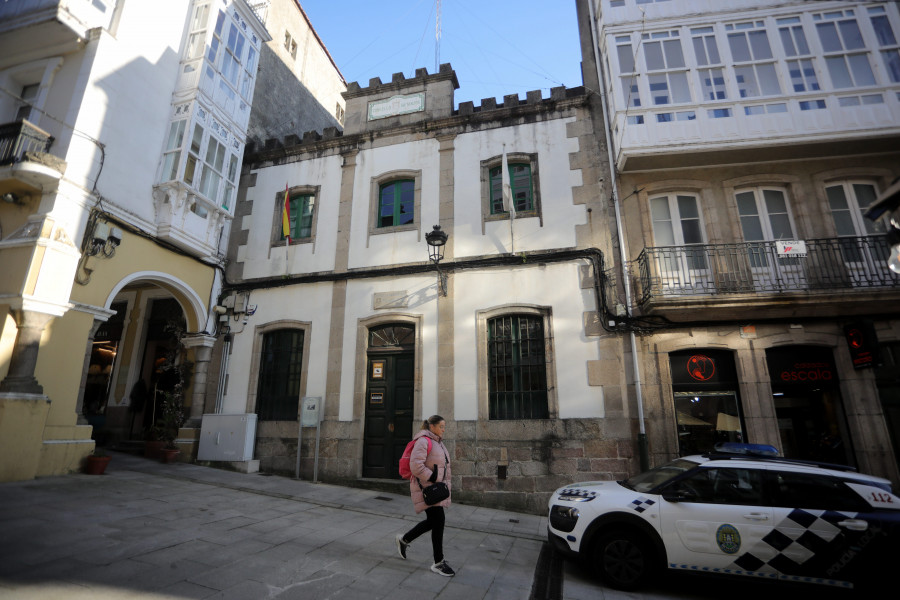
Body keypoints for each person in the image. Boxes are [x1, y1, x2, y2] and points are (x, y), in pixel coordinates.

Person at [396, 415, 455, 576]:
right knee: (438, 521)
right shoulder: (423, 441)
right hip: (427, 488)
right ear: (432, 426)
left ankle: (405, 539)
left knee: (434, 521)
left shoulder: (437, 442)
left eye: (444, 426)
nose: (444, 429)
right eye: (441, 426)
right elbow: (415, 466)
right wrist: (434, 477)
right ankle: (438, 562)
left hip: (435, 488)